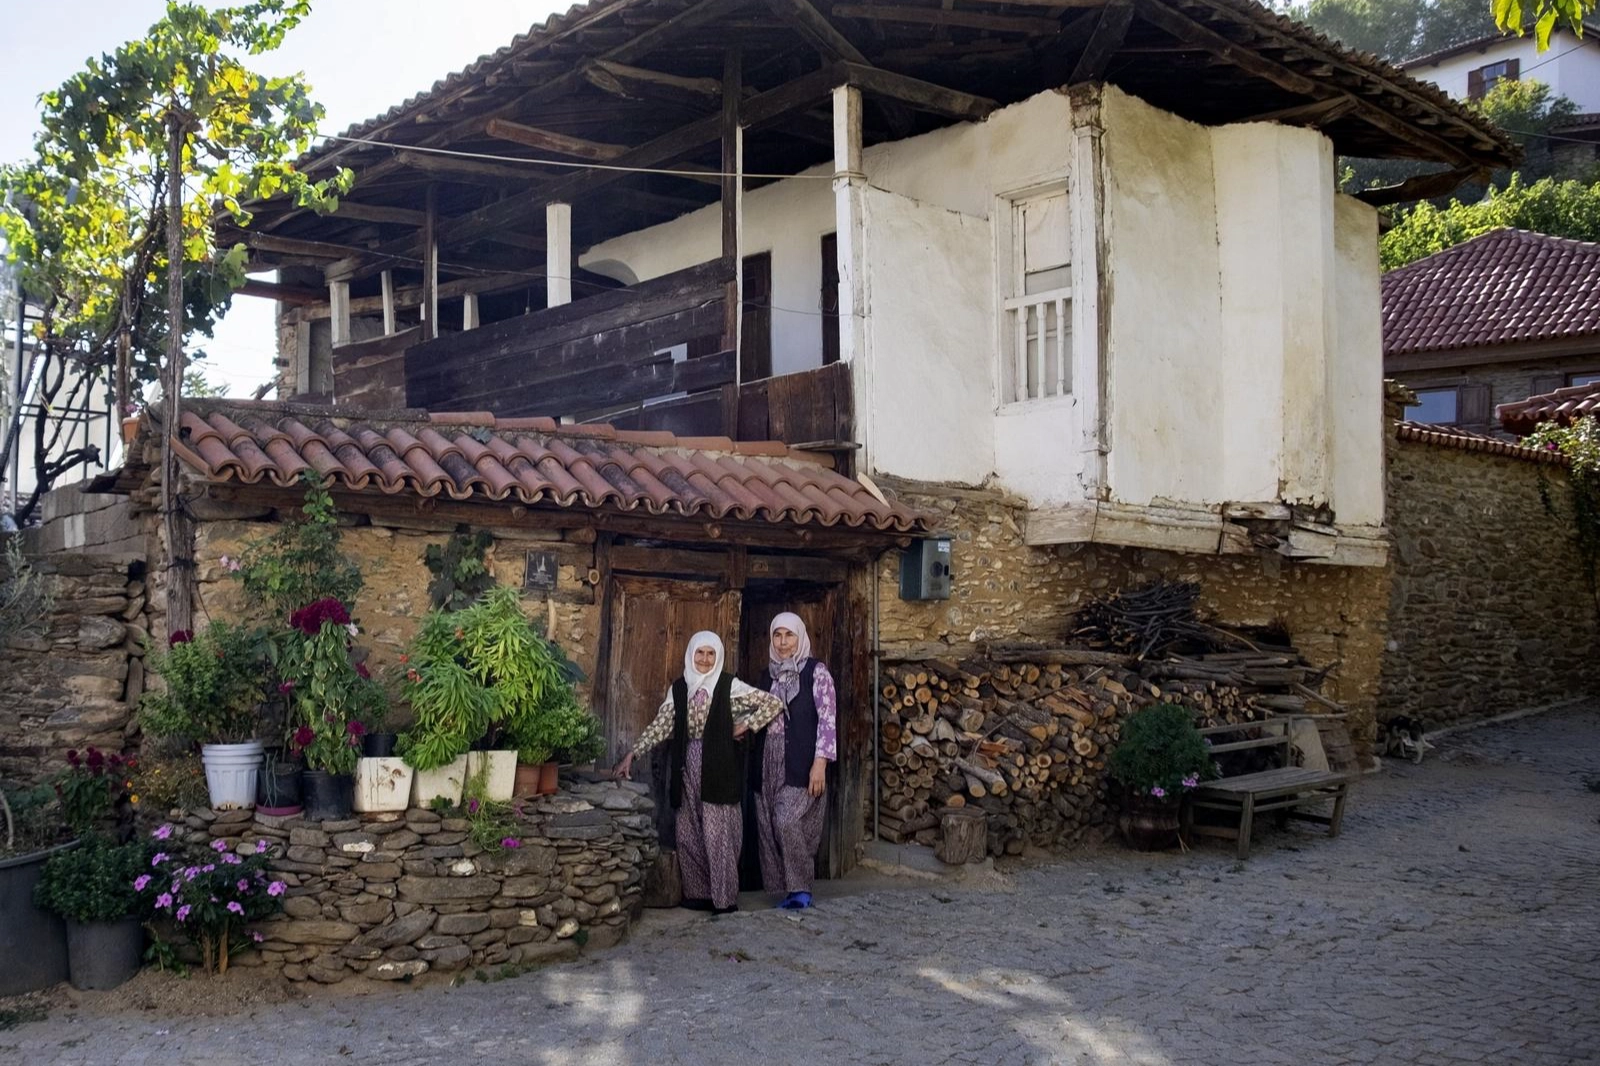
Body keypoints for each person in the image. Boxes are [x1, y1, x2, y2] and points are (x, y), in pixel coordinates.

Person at [616, 631, 783, 914]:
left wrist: (745, 725)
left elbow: (773, 704)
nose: (705, 660)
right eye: (700, 653)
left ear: (717, 657)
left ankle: (724, 898)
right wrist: (634, 753)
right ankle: (698, 894)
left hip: (720, 765)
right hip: (688, 764)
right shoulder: (680, 689)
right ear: (691, 655)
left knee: (719, 833)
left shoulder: (730, 686)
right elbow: (661, 725)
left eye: (711, 654)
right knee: (689, 830)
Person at [752, 612, 837, 910]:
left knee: (787, 820)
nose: (783, 641)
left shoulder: (816, 672)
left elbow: (827, 720)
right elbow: (757, 717)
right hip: (768, 759)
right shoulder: (768, 676)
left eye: (789, 635)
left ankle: (801, 889)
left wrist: (821, 762)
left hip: (801, 758)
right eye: (778, 635)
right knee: (769, 823)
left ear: (799, 638)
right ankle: (784, 890)